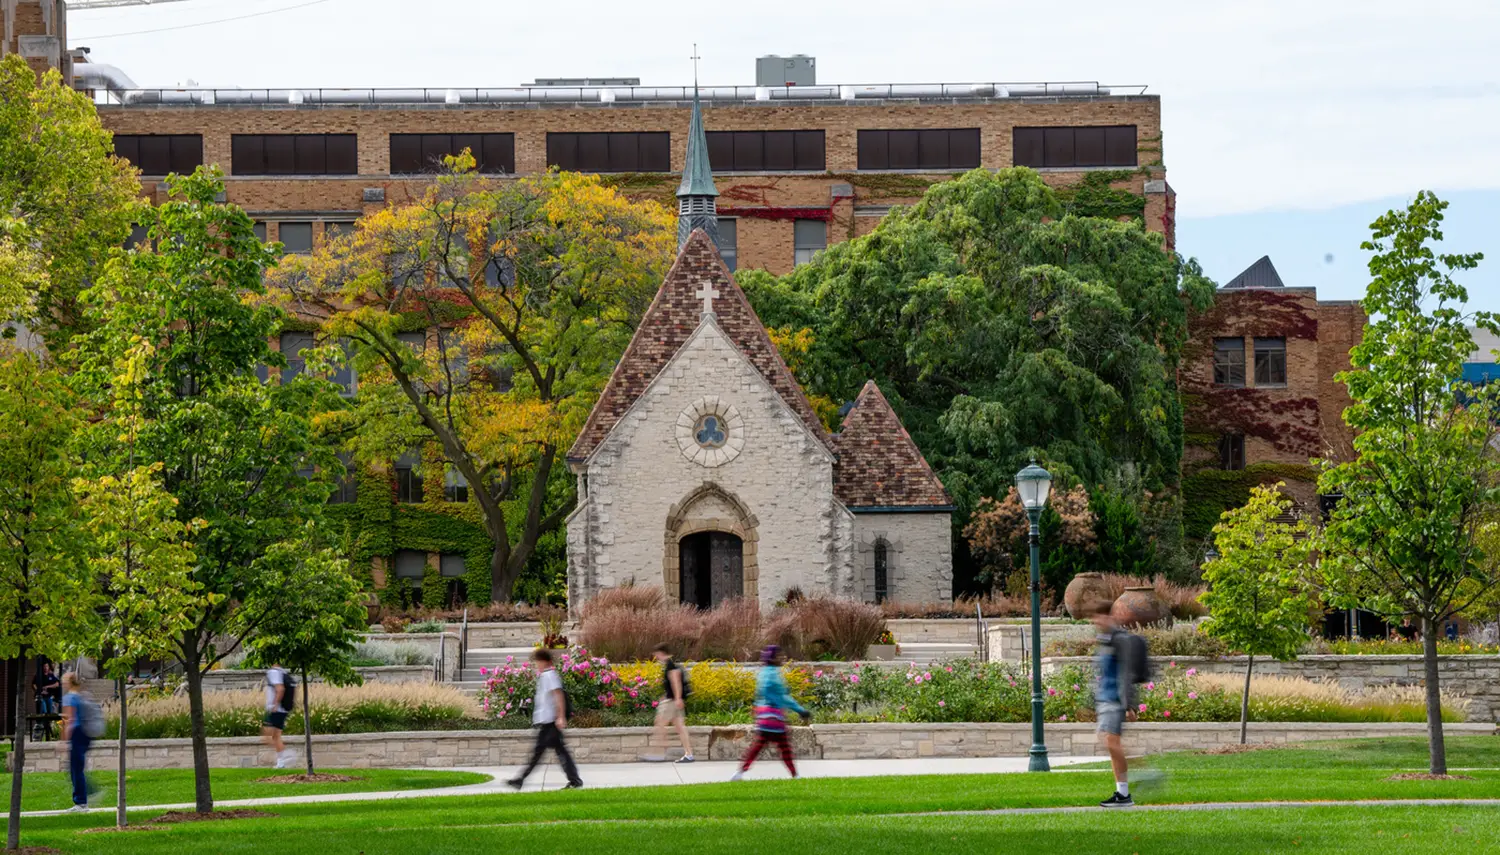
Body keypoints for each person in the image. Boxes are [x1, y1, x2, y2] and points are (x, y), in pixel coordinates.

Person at [1088, 599, 1144, 808]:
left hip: (1115, 700)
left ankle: (1125, 793)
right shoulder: (1105, 641)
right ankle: (1126, 788)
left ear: (1110, 617)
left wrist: (1129, 704)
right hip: (1105, 700)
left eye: (1100, 616)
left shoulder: (1120, 640)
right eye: (1094, 618)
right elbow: (1101, 674)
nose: (1097, 621)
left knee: (1112, 743)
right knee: (1110, 744)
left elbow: (1126, 673)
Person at [507, 648, 583, 790]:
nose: (537, 665)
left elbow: (558, 695)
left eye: (538, 662)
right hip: (547, 723)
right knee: (551, 752)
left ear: (545, 661)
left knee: (547, 752)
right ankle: (574, 780)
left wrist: (560, 717)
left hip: (551, 723)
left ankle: (521, 779)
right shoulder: (544, 676)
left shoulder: (550, 675)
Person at [731, 645, 809, 781]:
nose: (782, 659)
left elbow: (760, 695)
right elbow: (784, 697)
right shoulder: (774, 675)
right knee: (785, 748)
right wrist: (801, 710)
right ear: (773, 658)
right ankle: (795, 775)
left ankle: (739, 773)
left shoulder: (763, 673)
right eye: (779, 656)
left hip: (763, 718)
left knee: (756, 747)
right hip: (775, 719)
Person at [645, 643, 694, 763]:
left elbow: (675, 682)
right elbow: (672, 685)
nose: (656, 657)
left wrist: (677, 698)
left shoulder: (670, 666)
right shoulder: (671, 664)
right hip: (673, 700)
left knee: (660, 723)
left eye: (656, 654)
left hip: (672, 702)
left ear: (661, 653)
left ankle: (660, 753)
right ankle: (689, 754)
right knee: (680, 728)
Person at [60, 672, 96, 812]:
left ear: (69, 683)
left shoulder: (69, 698)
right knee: (77, 768)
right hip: (85, 734)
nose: (63, 684)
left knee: (76, 769)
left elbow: (70, 720)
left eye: (64, 681)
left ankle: (81, 802)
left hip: (76, 733)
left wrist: (64, 740)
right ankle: (86, 796)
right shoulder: (81, 696)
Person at [261, 663, 295, 769]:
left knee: (266, 736)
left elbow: (280, 689)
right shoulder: (282, 672)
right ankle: (281, 761)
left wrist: (275, 704)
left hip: (275, 709)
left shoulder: (273, 672)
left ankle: (286, 756)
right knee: (276, 736)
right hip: (283, 710)